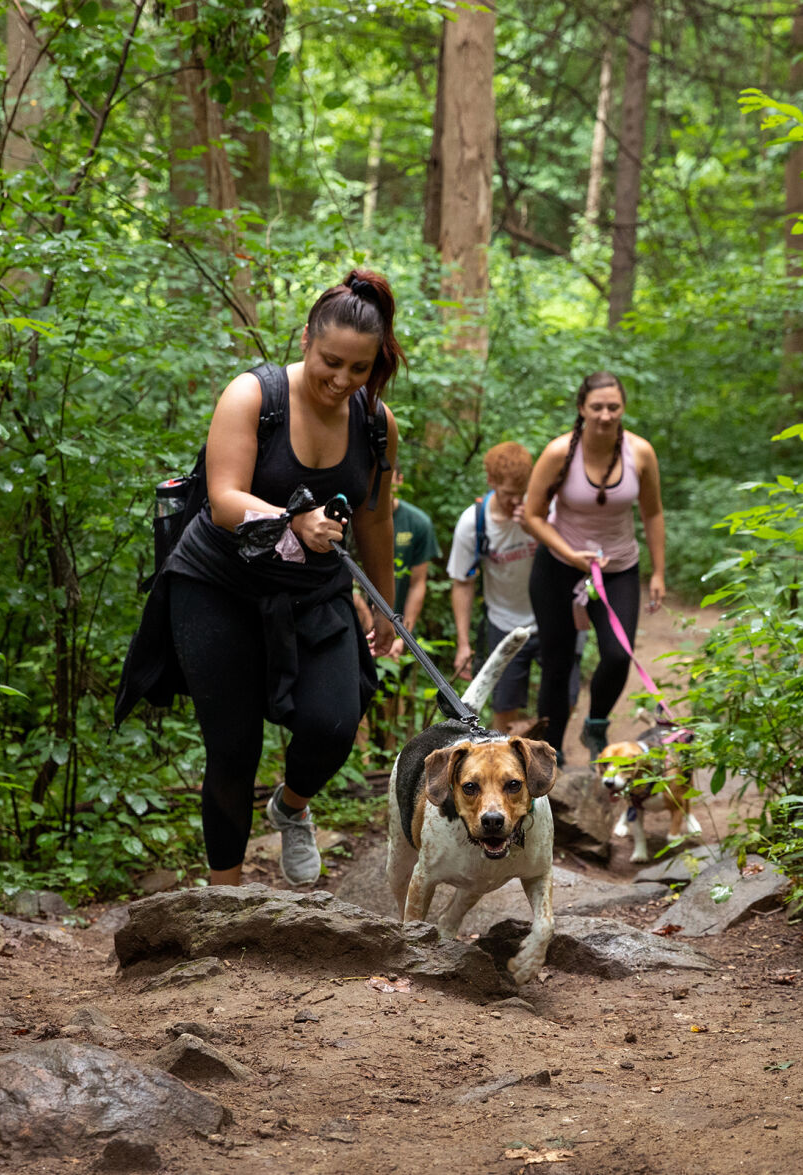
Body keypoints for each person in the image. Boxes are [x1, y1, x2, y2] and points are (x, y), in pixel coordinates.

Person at [116, 269, 402, 887]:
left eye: (359, 368)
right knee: (233, 747)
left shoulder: (376, 420)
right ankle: (227, 899)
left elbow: (377, 517)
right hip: (218, 586)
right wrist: (294, 520)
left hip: (313, 592)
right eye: (331, 362)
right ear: (305, 340)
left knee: (333, 723)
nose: (342, 380)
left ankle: (291, 807)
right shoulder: (254, 396)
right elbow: (223, 499)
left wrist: (385, 606)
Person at [522, 372, 666, 764]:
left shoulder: (640, 453)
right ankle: (549, 755)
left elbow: (652, 513)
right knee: (557, 663)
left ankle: (596, 725)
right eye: (597, 407)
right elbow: (532, 516)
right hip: (558, 567)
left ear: (623, 409)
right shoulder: (558, 452)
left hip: (617, 567)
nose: (605, 415)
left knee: (618, 655)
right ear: (582, 409)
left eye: (613, 407)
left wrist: (658, 572)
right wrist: (569, 553)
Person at [447, 442, 581, 731]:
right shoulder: (474, 522)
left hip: (552, 619)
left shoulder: (549, 512)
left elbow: (572, 558)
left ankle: (552, 750)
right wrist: (463, 643)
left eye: (521, 494)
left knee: (567, 697)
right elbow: (462, 583)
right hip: (503, 623)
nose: (515, 502)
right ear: (491, 482)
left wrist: (536, 526)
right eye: (508, 495)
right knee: (504, 707)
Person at [389, 471, 440, 658]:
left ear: (400, 480)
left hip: (397, 628)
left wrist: (404, 637)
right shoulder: (355, 518)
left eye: (389, 478)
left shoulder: (418, 523)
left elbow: (417, 583)